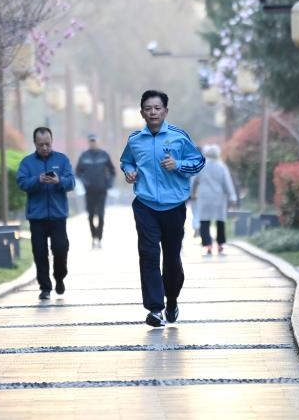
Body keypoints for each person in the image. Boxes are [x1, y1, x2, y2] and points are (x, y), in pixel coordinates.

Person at [120, 90, 205, 327]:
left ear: (165, 111)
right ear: (142, 113)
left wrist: (178, 164)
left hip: (174, 206)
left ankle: (172, 300)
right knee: (148, 255)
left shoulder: (179, 136)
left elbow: (198, 162)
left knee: (172, 258)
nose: (153, 112)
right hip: (145, 205)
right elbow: (126, 160)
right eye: (148, 109)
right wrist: (129, 171)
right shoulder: (135, 140)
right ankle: (155, 309)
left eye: (157, 108)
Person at [16, 126, 75, 300]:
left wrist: (59, 181)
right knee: (40, 253)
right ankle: (45, 287)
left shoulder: (62, 160)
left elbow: (71, 182)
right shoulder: (27, 162)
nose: (44, 147)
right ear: (34, 143)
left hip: (58, 216)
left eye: (47, 144)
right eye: (41, 144)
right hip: (37, 217)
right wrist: (38, 180)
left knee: (61, 249)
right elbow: (21, 183)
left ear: (52, 141)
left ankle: (59, 277)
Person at [191, 144, 237, 256]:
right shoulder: (221, 167)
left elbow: (194, 180)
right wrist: (232, 196)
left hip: (204, 197)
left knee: (204, 221)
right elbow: (227, 182)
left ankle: (208, 245)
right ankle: (220, 244)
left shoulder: (201, 166)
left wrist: (192, 192)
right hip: (219, 198)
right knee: (220, 221)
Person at [75, 133, 115, 248]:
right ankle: (93, 238)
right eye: (91, 141)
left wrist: (109, 183)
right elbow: (78, 172)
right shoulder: (84, 156)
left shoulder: (104, 155)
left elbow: (112, 171)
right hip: (89, 192)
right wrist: (84, 182)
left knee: (101, 216)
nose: (93, 143)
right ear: (89, 142)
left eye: (94, 141)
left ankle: (100, 238)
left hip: (102, 191)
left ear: (97, 141)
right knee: (91, 216)